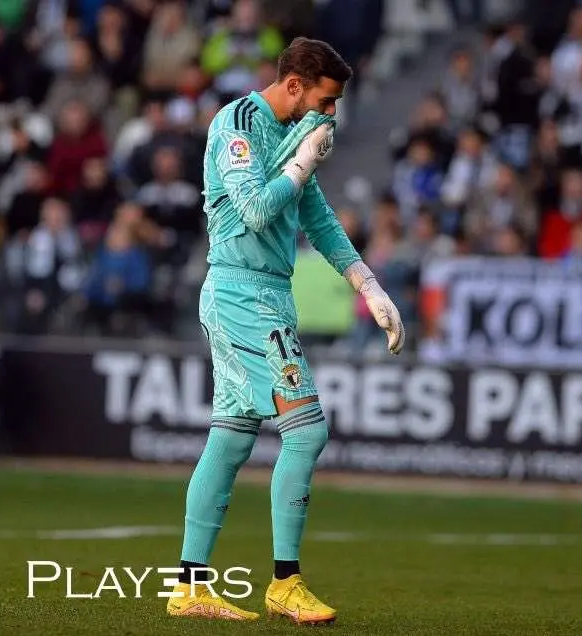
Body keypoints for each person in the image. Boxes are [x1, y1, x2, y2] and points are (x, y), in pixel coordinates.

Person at [167, 38, 405, 623]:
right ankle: (284, 582)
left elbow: (315, 216)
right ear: (295, 85)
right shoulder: (239, 123)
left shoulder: (291, 131)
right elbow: (253, 210)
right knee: (306, 430)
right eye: (326, 100)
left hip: (261, 291)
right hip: (243, 292)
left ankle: (189, 586)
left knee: (231, 437)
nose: (331, 115)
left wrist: (367, 285)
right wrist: (300, 165)